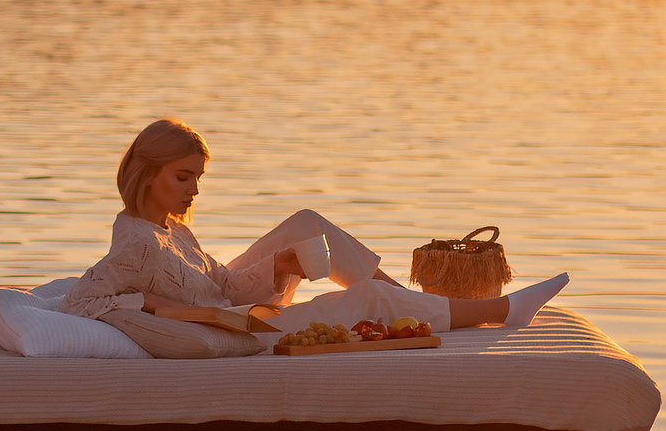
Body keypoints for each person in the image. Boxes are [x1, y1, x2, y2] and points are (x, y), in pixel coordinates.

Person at [60, 118, 569, 335]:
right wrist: (155, 306)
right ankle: (500, 310)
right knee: (367, 301)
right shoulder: (134, 246)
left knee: (306, 225)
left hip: (233, 302)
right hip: (242, 328)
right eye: (183, 176)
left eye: (198, 176)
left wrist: (280, 265)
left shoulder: (168, 229)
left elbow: (221, 284)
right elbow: (78, 303)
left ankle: (418, 307)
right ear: (147, 175)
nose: (195, 189)